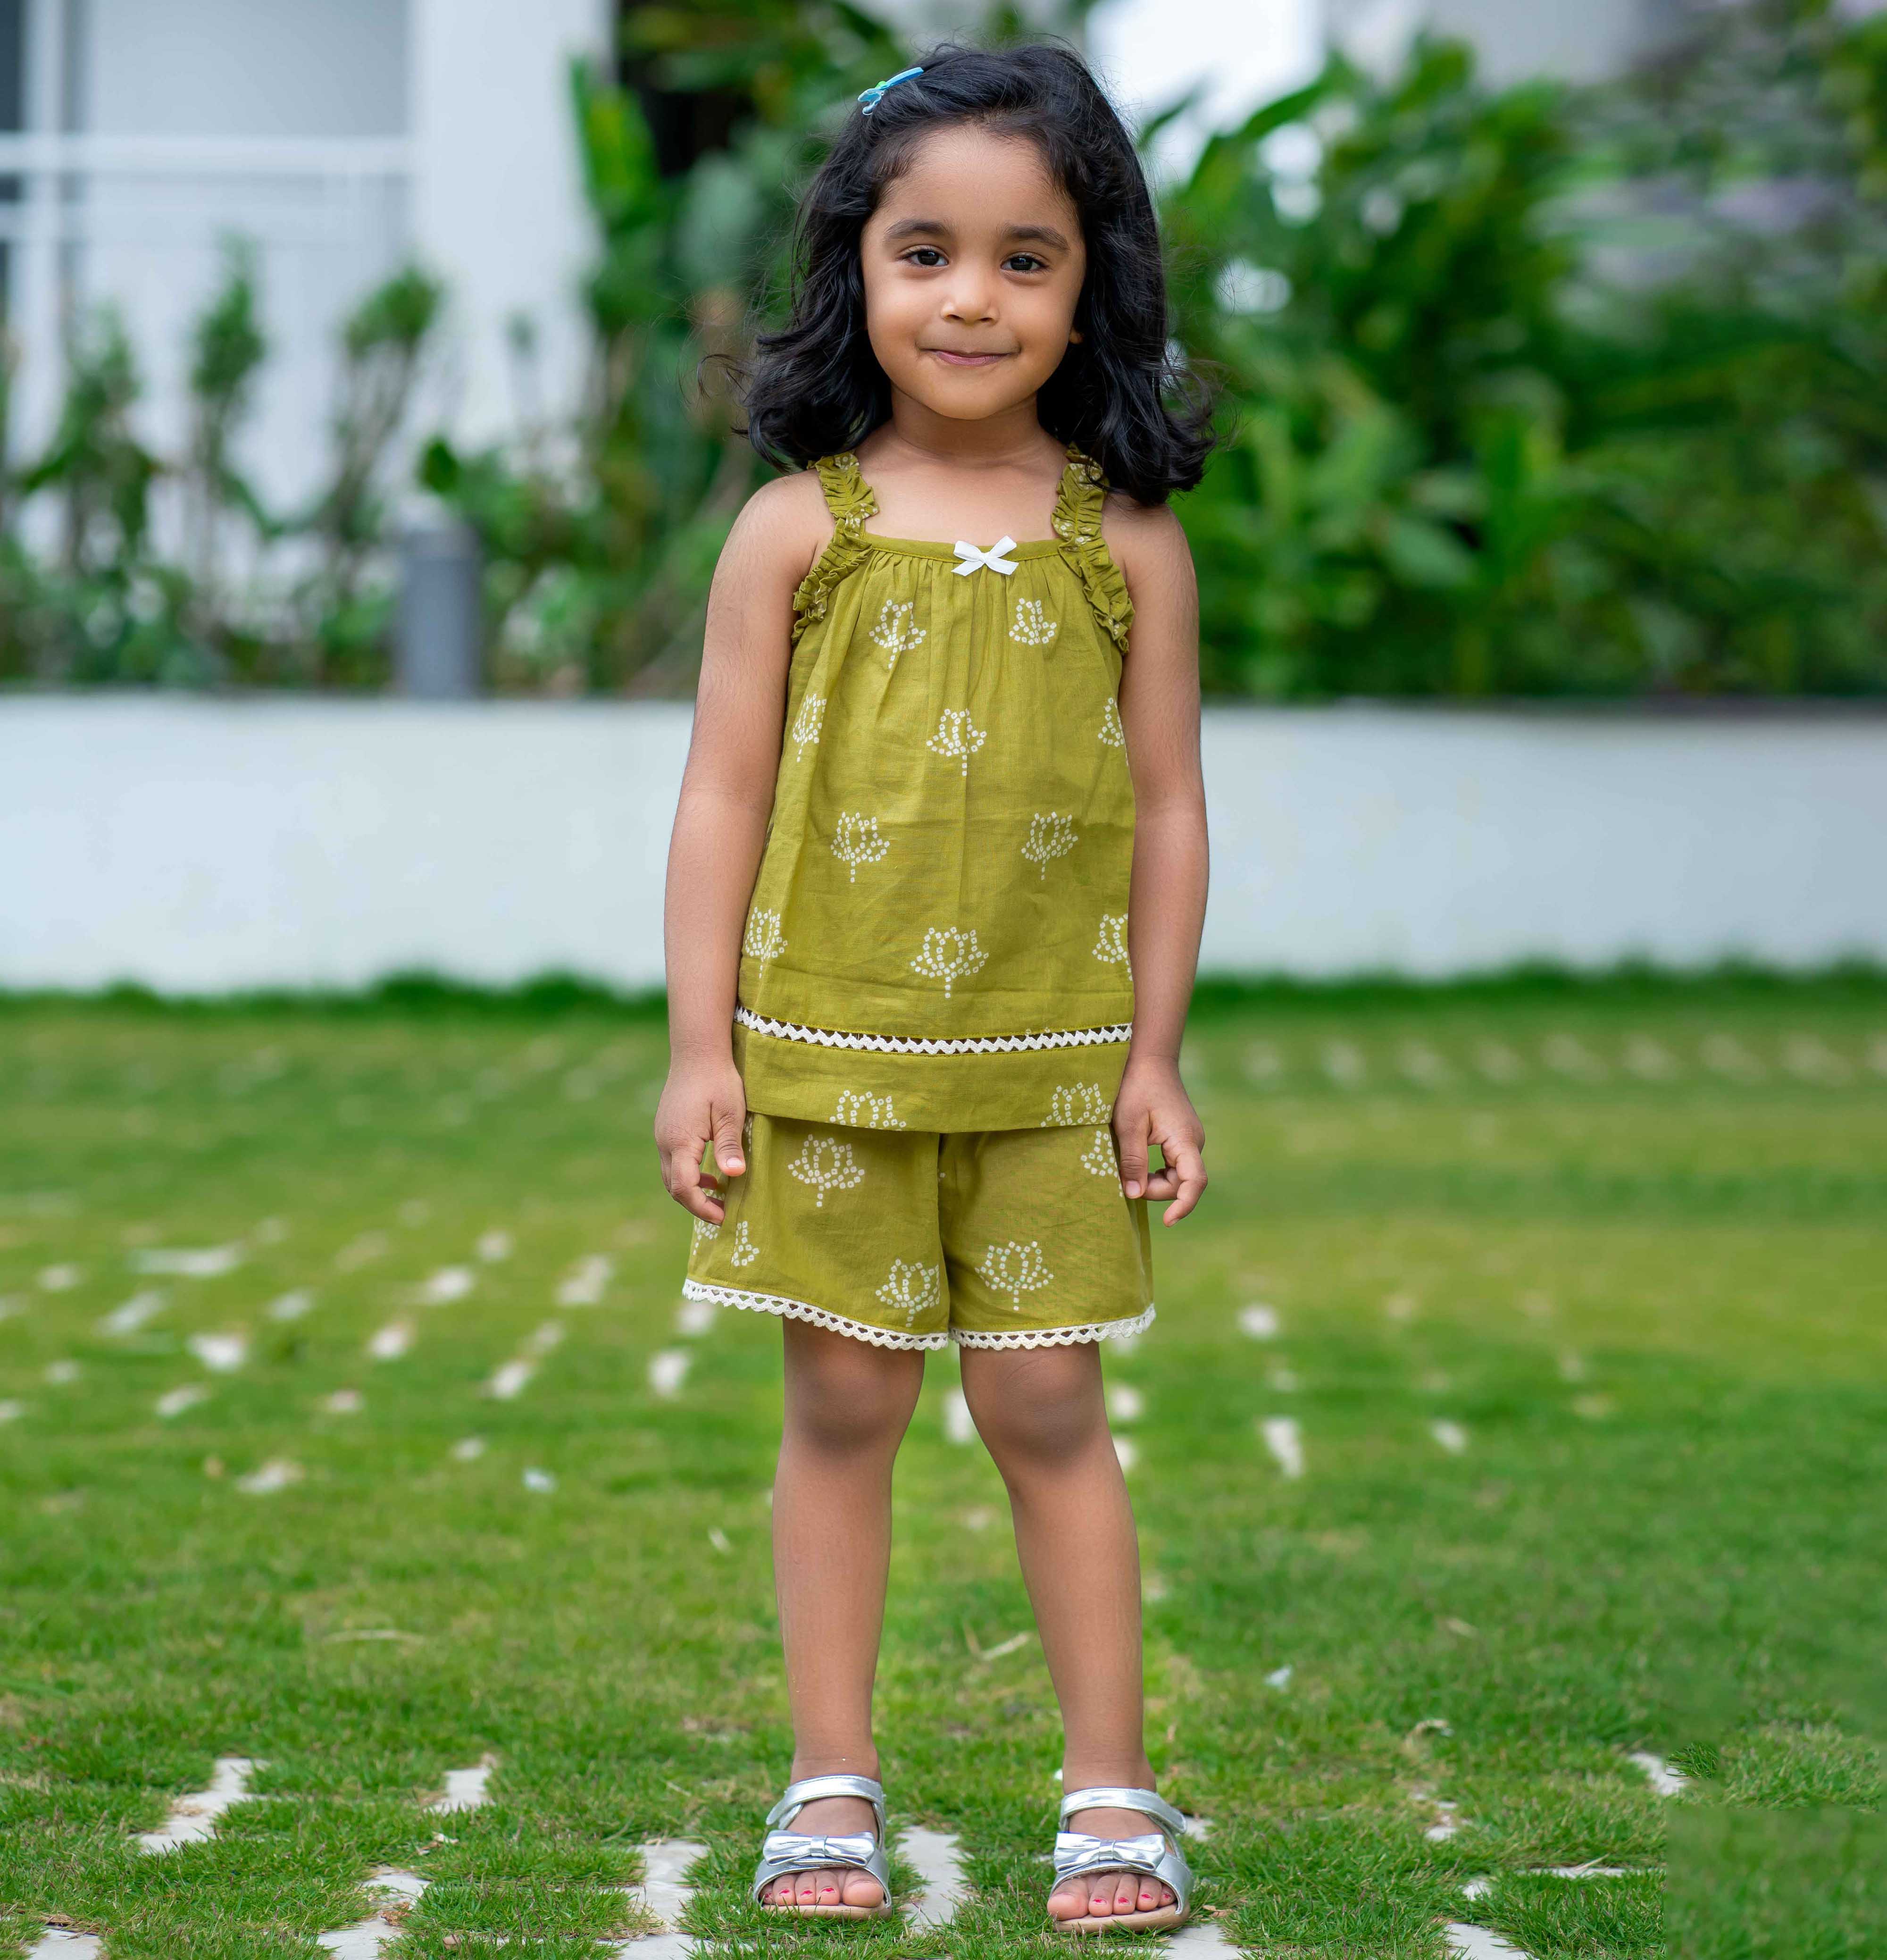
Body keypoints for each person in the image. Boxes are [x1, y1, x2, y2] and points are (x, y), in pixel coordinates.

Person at [654, 40, 1212, 1935]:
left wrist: (1155, 1058)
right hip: (827, 1058)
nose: (970, 297)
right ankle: (827, 1782)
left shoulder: (1124, 539)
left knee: (1049, 1404)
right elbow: (721, 792)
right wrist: (695, 1053)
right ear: (858, 273)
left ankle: (1113, 1790)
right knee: (842, 1405)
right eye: (925, 252)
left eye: (1023, 258)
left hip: (1054, 1066)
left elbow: (1167, 801)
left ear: (1091, 287)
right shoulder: (794, 531)